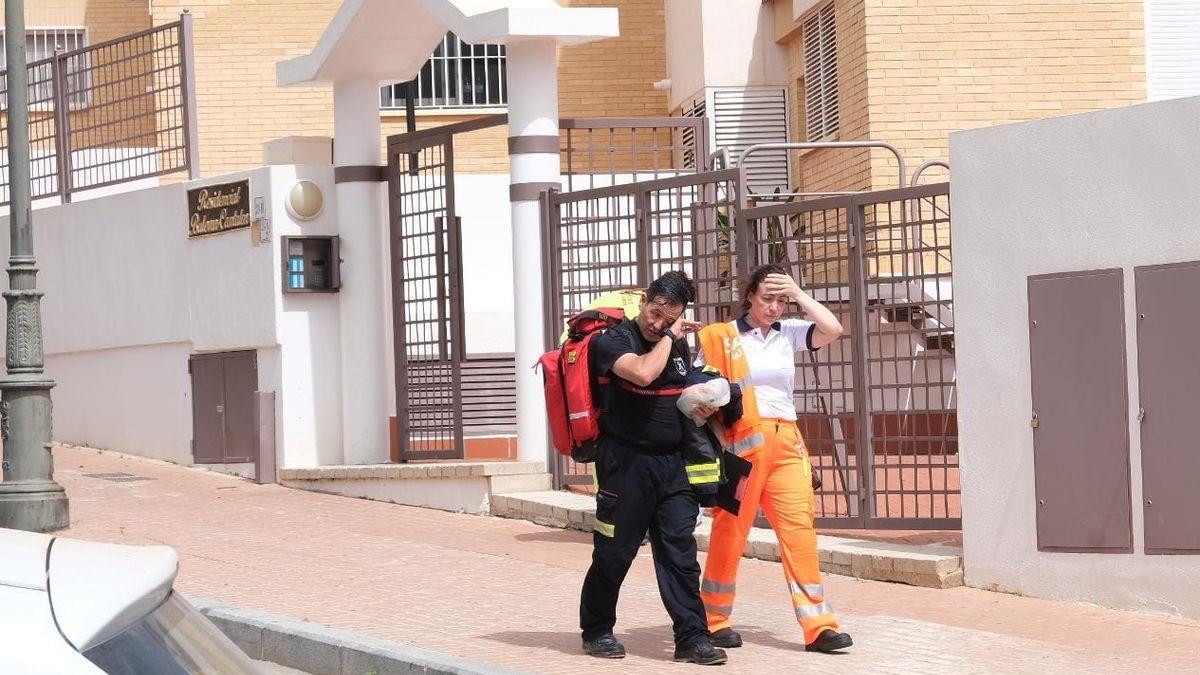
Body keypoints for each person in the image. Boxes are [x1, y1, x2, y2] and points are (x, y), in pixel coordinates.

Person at [695, 263, 854, 654]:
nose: (774, 307)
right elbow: (700, 386)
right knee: (731, 530)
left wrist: (800, 294)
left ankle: (819, 627)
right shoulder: (722, 336)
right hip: (742, 445)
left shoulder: (790, 334)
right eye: (768, 298)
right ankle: (713, 619)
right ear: (749, 295)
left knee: (799, 530)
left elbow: (833, 329)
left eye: (782, 301)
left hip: (787, 441)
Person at [579, 271, 729, 666]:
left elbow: (684, 393)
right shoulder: (613, 340)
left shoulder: (677, 347)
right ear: (644, 301)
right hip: (625, 464)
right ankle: (596, 629)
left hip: (673, 465)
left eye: (668, 316)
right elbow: (643, 372)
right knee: (615, 552)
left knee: (680, 555)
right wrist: (670, 335)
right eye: (654, 311)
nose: (656, 321)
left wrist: (706, 402)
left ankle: (691, 638)